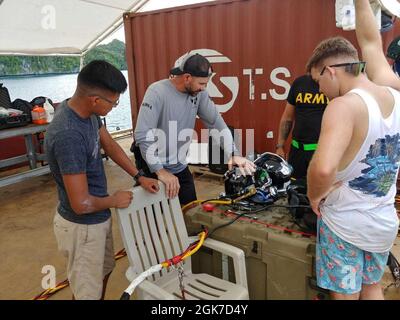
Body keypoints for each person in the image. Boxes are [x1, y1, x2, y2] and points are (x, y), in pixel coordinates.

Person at [307, 0, 400, 300]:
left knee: (344, 294)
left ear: (330, 71)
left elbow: (323, 169)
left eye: (317, 80)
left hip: (345, 225)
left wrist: (313, 194)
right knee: (372, 286)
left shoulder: (343, 106)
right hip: (383, 223)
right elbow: (371, 42)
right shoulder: (392, 89)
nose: (319, 89)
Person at [44, 60, 159, 300]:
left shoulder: (88, 115)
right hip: (82, 227)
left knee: (103, 272)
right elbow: (81, 203)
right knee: (87, 290)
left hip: (97, 219)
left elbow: (110, 145)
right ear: (95, 99)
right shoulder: (68, 134)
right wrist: (114, 200)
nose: (115, 106)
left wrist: (139, 176)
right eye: (114, 102)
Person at [133, 52, 256, 205]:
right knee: (152, 220)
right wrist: (160, 171)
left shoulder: (199, 94)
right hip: (153, 167)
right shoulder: (157, 91)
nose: (204, 89)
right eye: (202, 83)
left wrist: (233, 153)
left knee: (192, 213)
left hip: (179, 166)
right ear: (187, 78)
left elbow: (215, 122)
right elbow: (143, 134)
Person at [276, 72, 328, 179]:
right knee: (295, 189)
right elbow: (287, 118)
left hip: (322, 152)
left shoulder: (332, 85)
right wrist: (280, 146)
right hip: (297, 152)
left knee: (320, 193)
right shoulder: (299, 83)